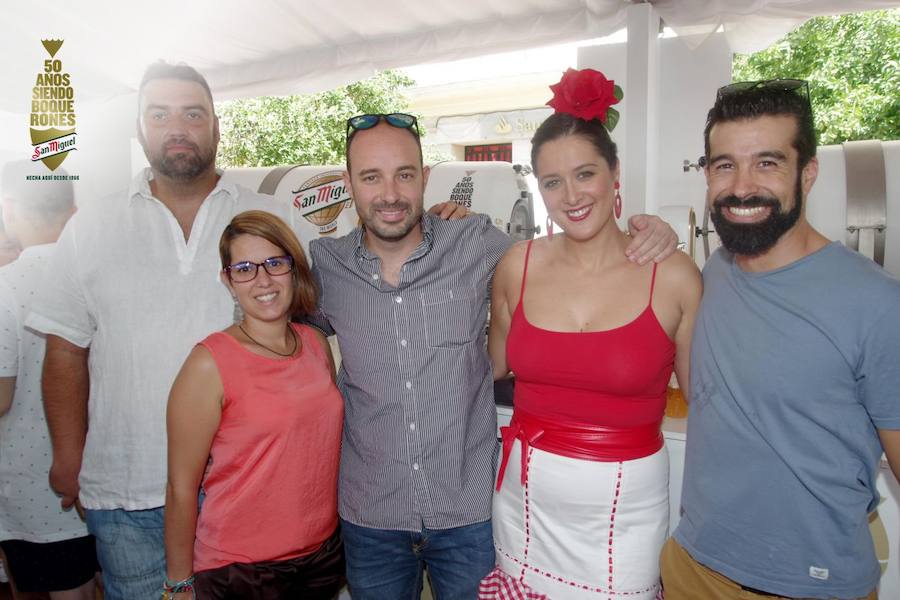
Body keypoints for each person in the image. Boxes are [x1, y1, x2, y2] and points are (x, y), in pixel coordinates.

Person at [306, 108, 680, 599]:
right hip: (370, 516)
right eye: (371, 177)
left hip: (468, 514)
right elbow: (275, 338)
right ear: (350, 184)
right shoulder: (325, 266)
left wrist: (651, 231)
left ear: (425, 177)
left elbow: (572, 255)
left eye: (405, 174)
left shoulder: (477, 242)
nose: (391, 194)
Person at [25, 62, 299, 599]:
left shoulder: (268, 216)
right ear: (139, 131)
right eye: (160, 114)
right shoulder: (92, 227)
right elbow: (64, 349)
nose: (178, 127)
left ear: (217, 127)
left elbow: (309, 332)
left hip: (245, 489)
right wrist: (69, 455)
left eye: (193, 113)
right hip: (128, 492)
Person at [660, 79, 900, 600]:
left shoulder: (877, 302)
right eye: (725, 165)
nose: (742, 186)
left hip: (810, 586)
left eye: (766, 163)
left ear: (806, 173)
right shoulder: (714, 273)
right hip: (691, 567)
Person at [477, 68, 701, 600]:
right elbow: (490, 365)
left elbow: (706, 399)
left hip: (625, 516)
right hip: (524, 504)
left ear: (614, 172)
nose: (571, 195)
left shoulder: (673, 275)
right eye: (552, 182)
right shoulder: (517, 265)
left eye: (585, 174)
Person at [163, 210, 344, 599]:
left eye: (274, 263)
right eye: (244, 268)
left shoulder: (314, 344)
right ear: (228, 281)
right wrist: (179, 584)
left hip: (322, 558)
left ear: (293, 270)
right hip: (241, 571)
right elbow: (181, 488)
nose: (263, 280)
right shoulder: (208, 363)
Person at [0, 160, 99, 600]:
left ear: (9, 210)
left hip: (31, 489)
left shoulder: (5, 287)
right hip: (105, 478)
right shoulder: (98, 279)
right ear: (74, 211)